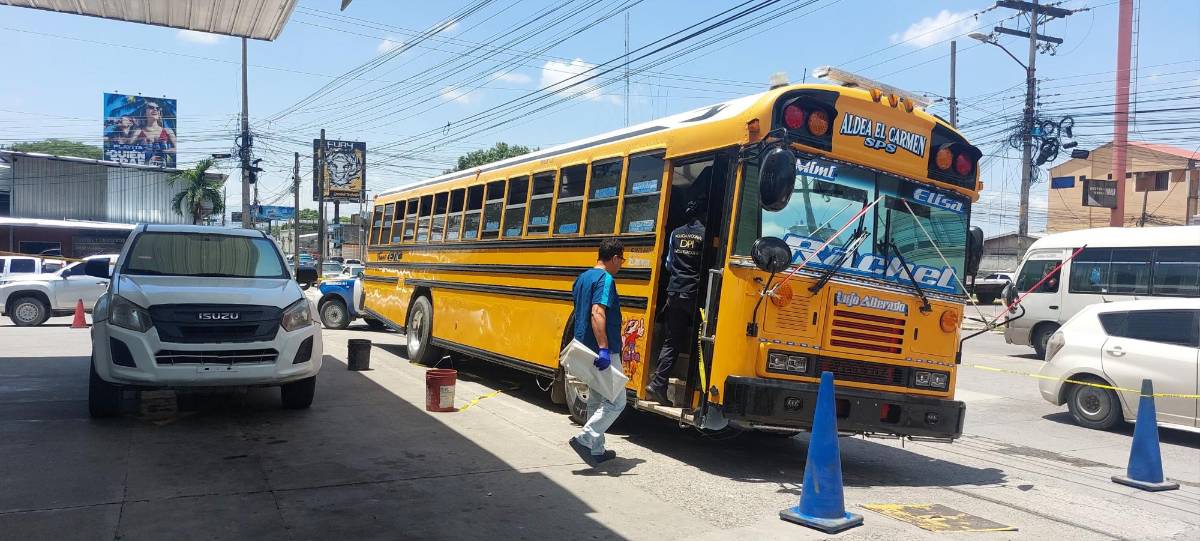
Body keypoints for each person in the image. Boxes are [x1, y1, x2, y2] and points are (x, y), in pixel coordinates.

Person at [568, 238, 627, 465]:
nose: (621, 264)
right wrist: (604, 348)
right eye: (621, 259)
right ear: (613, 258)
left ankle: (596, 450)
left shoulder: (582, 278)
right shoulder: (605, 279)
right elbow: (596, 313)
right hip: (603, 351)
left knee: (595, 399)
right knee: (616, 401)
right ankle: (585, 439)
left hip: (584, 348)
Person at [645, 199, 706, 405]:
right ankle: (698, 390)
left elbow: (669, 263)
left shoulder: (676, 233)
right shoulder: (705, 234)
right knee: (701, 341)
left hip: (674, 292)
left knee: (672, 340)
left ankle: (658, 383)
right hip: (694, 294)